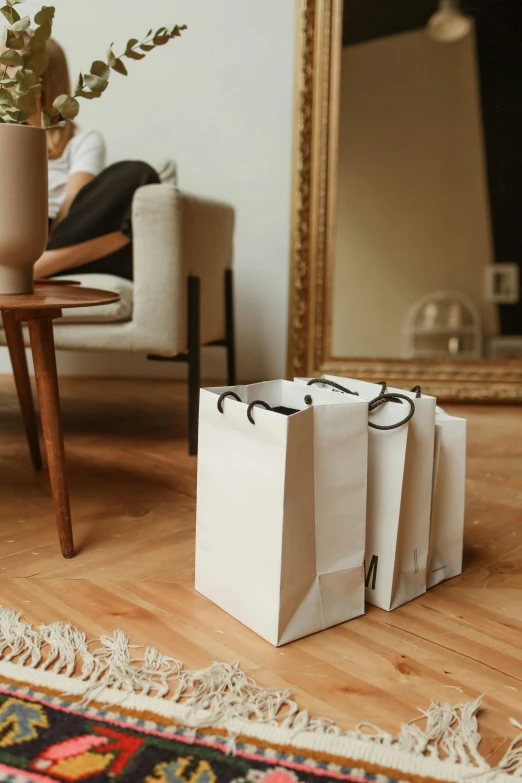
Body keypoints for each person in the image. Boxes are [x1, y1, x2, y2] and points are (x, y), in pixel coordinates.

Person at [32, 39, 160, 281]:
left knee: (139, 174)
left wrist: (46, 242)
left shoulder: (82, 141)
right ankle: (40, 267)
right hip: (12, 233)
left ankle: (37, 267)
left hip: (60, 232)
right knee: (123, 245)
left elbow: (71, 210)